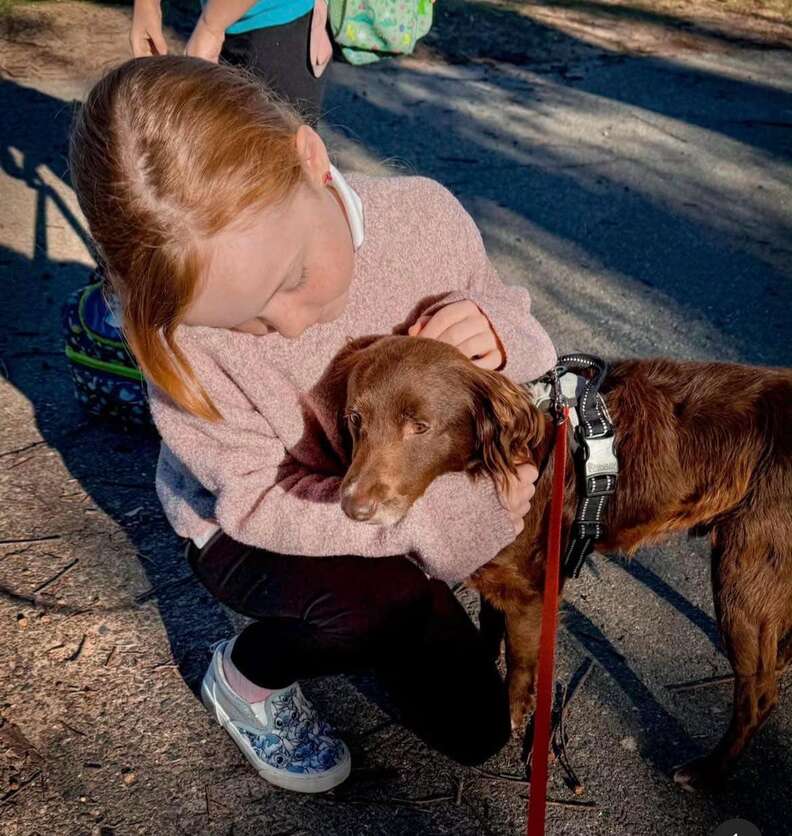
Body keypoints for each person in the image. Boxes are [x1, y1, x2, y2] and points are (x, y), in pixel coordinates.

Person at [69, 56, 557, 793]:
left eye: (293, 278)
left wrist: (497, 331)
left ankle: (403, 588)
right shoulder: (182, 339)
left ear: (311, 157)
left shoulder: (425, 215)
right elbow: (259, 500)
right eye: (245, 320)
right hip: (256, 523)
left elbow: (514, 323)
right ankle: (247, 679)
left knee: (476, 732)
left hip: (383, 497)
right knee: (372, 612)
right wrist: (451, 516)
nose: (293, 324)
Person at [130, 0, 332, 123]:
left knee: (285, 156)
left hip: (284, 26)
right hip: (219, 21)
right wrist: (147, 4)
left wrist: (211, 27)